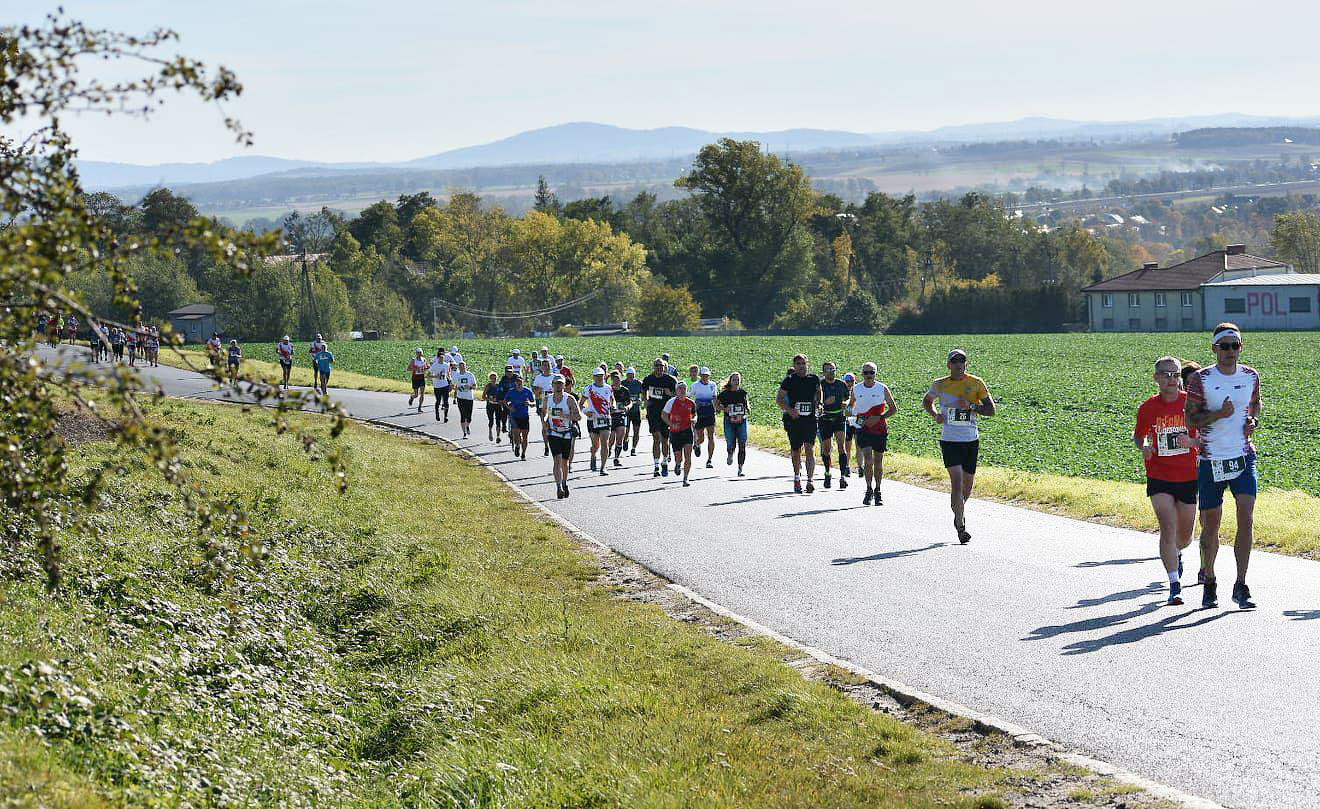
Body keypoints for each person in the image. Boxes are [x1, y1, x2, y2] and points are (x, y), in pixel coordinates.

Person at [1185, 324, 1262, 610]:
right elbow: (1191, 421)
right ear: (1214, 349)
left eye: (1235, 346)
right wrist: (1219, 414)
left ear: (1241, 347)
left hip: (1242, 456)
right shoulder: (1201, 379)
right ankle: (1210, 581)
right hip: (1211, 459)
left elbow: (1255, 404)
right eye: (1224, 346)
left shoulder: (1251, 376)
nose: (1230, 351)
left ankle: (1241, 584)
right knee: (1211, 524)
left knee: (1246, 516)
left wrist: (1252, 420)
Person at [1134, 355, 1199, 606]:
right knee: (1167, 527)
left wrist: (1192, 442)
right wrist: (1145, 446)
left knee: (1184, 537)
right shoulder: (1148, 407)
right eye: (1166, 375)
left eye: (1176, 374)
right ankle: (1174, 584)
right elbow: (1139, 436)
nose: (1171, 379)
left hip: (1187, 475)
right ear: (1156, 378)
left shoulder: (1190, 404)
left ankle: (1178, 554)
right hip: (1159, 474)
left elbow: (1205, 434)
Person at [922, 348, 995, 544]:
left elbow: (991, 410)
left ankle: (958, 513)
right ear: (949, 365)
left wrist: (971, 406)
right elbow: (927, 401)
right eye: (954, 362)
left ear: (966, 364)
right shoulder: (940, 384)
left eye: (961, 361)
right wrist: (935, 414)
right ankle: (961, 527)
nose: (958, 365)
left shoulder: (976, 383)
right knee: (956, 480)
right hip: (950, 440)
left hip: (970, 439)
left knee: (968, 486)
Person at [850, 362, 898, 505]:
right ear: (862, 374)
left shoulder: (882, 388)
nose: (869, 376)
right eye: (866, 373)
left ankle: (878, 490)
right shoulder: (856, 389)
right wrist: (853, 416)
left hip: (879, 429)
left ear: (875, 374)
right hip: (863, 429)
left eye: (872, 373)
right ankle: (868, 489)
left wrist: (880, 417)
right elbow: (851, 405)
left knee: (878, 461)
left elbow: (893, 409)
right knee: (868, 460)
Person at [777, 354, 821, 494]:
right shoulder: (789, 380)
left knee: (809, 448)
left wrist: (819, 404)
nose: (801, 366)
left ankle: (810, 480)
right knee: (796, 450)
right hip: (795, 420)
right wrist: (790, 410)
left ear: (807, 364)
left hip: (810, 419)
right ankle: (797, 478)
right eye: (798, 364)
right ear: (794, 366)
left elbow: (820, 392)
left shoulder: (813, 379)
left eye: (803, 363)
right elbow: (779, 399)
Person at [543, 375, 581, 499]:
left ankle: (564, 482)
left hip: (567, 433)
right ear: (552, 385)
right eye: (556, 384)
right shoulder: (547, 399)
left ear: (564, 385)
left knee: (565, 462)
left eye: (560, 384)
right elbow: (544, 414)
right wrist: (545, 422)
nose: (558, 386)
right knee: (557, 460)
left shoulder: (569, 399)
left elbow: (578, 416)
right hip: (554, 433)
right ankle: (558, 487)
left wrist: (566, 416)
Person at [642, 358, 677, 477]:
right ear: (654, 367)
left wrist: (670, 393)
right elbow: (644, 391)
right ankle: (656, 465)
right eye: (657, 366)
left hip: (666, 413)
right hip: (653, 412)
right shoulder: (648, 379)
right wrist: (646, 400)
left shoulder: (671, 380)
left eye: (661, 366)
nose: (659, 368)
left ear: (665, 367)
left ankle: (665, 461)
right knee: (656, 437)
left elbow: (678, 396)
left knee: (665, 439)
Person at [818, 361, 850, 490]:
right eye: (828, 370)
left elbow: (848, 397)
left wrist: (846, 403)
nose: (831, 372)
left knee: (841, 447)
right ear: (824, 372)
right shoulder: (820, 384)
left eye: (833, 369)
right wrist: (825, 402)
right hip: (825, 417)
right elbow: (816, 401)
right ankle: (827, 473)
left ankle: (842, 476)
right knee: (827, 448)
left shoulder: (841, 384)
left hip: (839, 417)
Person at [662, 380, 698, 486]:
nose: (682, 390)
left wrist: (694, 419)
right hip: (675, 432)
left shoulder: (691, 403)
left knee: (688, 455)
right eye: (680, 388)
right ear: (676, 391)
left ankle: (685, 479)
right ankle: (678, 464)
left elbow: (695, 414)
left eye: (684, 388)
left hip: (687, 431)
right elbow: (664, 415)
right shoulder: (671, 402)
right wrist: (670, 424)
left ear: (686, 390)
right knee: (679, 457)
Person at [716, 371, 750, 476]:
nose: (736, 382)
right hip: (729, 421)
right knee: (730, 442)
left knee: (742, 443)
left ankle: (740, 468)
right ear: (730, 381)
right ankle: (730, 453)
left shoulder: (743, 393)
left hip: (741, 420)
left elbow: (747, 405)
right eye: (734, 380)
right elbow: (716, 405)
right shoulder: (724, 394)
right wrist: (725, 409)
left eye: (738, 380)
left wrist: (747, 409)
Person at [583, 368, 615, 475]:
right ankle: (593, 456)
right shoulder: (589, 388)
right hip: (593, 419)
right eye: (597, 376)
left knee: (605, 443)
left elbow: (612, 400)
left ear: (604, 376)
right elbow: (580, 403)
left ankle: (603, 467)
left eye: (601, 376)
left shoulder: (608, 388)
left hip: (605, 418)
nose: (599, 378)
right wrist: (585, 411)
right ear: (593, 377)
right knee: (596, 445)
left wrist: (613, 406)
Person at [503, 374, 536, 459]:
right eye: (517, 382)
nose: (519, 383)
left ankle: (523, 453)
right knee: (516, 433)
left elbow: (533, 403)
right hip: (514, 415)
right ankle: (517, 445)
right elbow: (505, 401)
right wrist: (510, 408)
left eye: (520, 382)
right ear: (515, 383)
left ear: (523, 382)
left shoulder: (527, 391)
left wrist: (529, 403)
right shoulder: (511, 391)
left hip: (524, 416)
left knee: (525, 436)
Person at [691, 367, 719, 469]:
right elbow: (689, 396)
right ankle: (697, 444)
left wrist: (717, 407)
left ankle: (709, 460)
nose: (705, 377)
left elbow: (715, 397)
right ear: (700, 375)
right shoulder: (695, 386)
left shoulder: (713, 385)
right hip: (700, 412)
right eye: (703, 375)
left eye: (707, 375)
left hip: (710, 412)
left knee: (711, 436)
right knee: (701, 437)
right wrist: (693, 406)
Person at [532, 359, 557, 457]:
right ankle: (546, 445)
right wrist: (538, 391)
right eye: (544, 365)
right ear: (542, 367)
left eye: (548, 365)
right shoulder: (538, 378)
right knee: (545, 425)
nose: (546, 367)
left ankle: (554, 444)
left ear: (551, 366)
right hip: (542, 404)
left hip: (555, 404)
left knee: (555, 425)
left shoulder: (555, 377)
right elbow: (535, 392)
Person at [608, 370, 630, 468]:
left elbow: (630, 402)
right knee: (611, 438)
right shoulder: (609, 390)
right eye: (615, 379)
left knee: (620, 438)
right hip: (611, 416)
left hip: (621, 415)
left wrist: (627, 407)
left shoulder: (625, 390)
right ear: (612, 380)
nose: (617, 381)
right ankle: (608, 449)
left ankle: (616, 458)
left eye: (618, 379)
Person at [623, 367, 643, 456]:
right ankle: (625, 440)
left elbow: (644, 394)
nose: (630, 377)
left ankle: (633, 448)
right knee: (626, 431)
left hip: (636, 411)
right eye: (629, 376)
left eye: (632, 376)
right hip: (626, 411)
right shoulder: (623, 383)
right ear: (626, 375)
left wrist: (641, 400)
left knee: (636, 431)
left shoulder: (638, 383)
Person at [429, 349, 451, 421]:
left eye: (443, 357)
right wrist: (435, 376)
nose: (442, 359)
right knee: (438, 401)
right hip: (437, 386)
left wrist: (450, 382)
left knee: (446, 401)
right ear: (438, 358)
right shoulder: (434, 366)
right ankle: (437, 413)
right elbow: (427, 375)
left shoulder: (446, 365)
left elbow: (448, 375)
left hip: (445, 385)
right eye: (440, 358)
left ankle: (446, 416)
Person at [483, 372, 503, 442]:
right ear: (490, 379)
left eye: (495, 378)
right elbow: (483, 396)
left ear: (497, 378)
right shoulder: (488, 386)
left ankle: (498, 436)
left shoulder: (499, 386)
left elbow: (502, 395)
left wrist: (500, 400)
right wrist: (489, 399)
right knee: (491, 420)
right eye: (492, 378)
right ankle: (490, 432)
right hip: (490, 405)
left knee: (498, 421)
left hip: (498, 405)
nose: (493, 379)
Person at [407, 348, 428, 414]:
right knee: (416, 395)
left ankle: (419, 407)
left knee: (422, 393)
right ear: (416, 353)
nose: (419, 354)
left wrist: (426, 368)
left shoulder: (424, 359)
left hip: (422, 377)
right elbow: (408, 369)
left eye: (420, 352)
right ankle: (412, 397)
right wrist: (415, 369)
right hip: (415, 378)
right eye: (418, 352)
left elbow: (427, 367)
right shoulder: (414, 360)